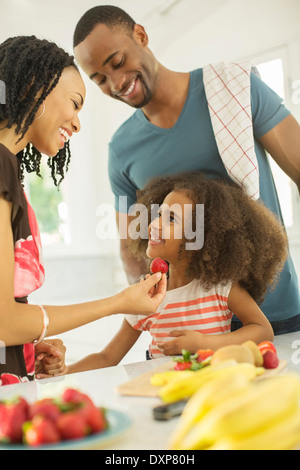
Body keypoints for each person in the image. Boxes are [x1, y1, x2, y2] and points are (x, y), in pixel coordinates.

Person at [73, 5, 300, 335]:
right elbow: (131, 247)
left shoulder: (233, 89)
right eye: (100, 80)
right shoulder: (121, 150)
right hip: (190, 327)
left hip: (274, 312)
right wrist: (152, 315)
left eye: (118, 62)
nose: (117, 83)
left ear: (141, 35)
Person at [0, 35, 166, 386]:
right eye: (74, 104)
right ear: (35, 86)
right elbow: (3, 321)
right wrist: (119, 302)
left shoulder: (9, 167)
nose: (77, 124)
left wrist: (26, 349)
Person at [67, 172, 287, 370]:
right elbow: (107, 358)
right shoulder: (146, 296)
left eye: (171, 219)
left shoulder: (220, 288)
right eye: (159, 214)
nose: (154, 224)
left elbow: (262, 330)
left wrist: (203, 344)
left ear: (200, 238)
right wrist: (61, 375)